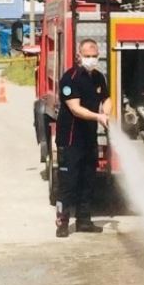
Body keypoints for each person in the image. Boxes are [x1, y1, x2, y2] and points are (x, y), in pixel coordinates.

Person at [54, 38, 112, 238]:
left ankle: (84, 221)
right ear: (79, 56)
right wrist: (98, 117)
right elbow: (75, 108)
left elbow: (106, 98)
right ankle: (62, 222)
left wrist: (106, 112)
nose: (91, 59)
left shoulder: (98, 77)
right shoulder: (70, 79)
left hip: (89, 139)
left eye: (94, 56)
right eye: (87, 56)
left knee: (88, 181)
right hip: (70, 139)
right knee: (68, 184)